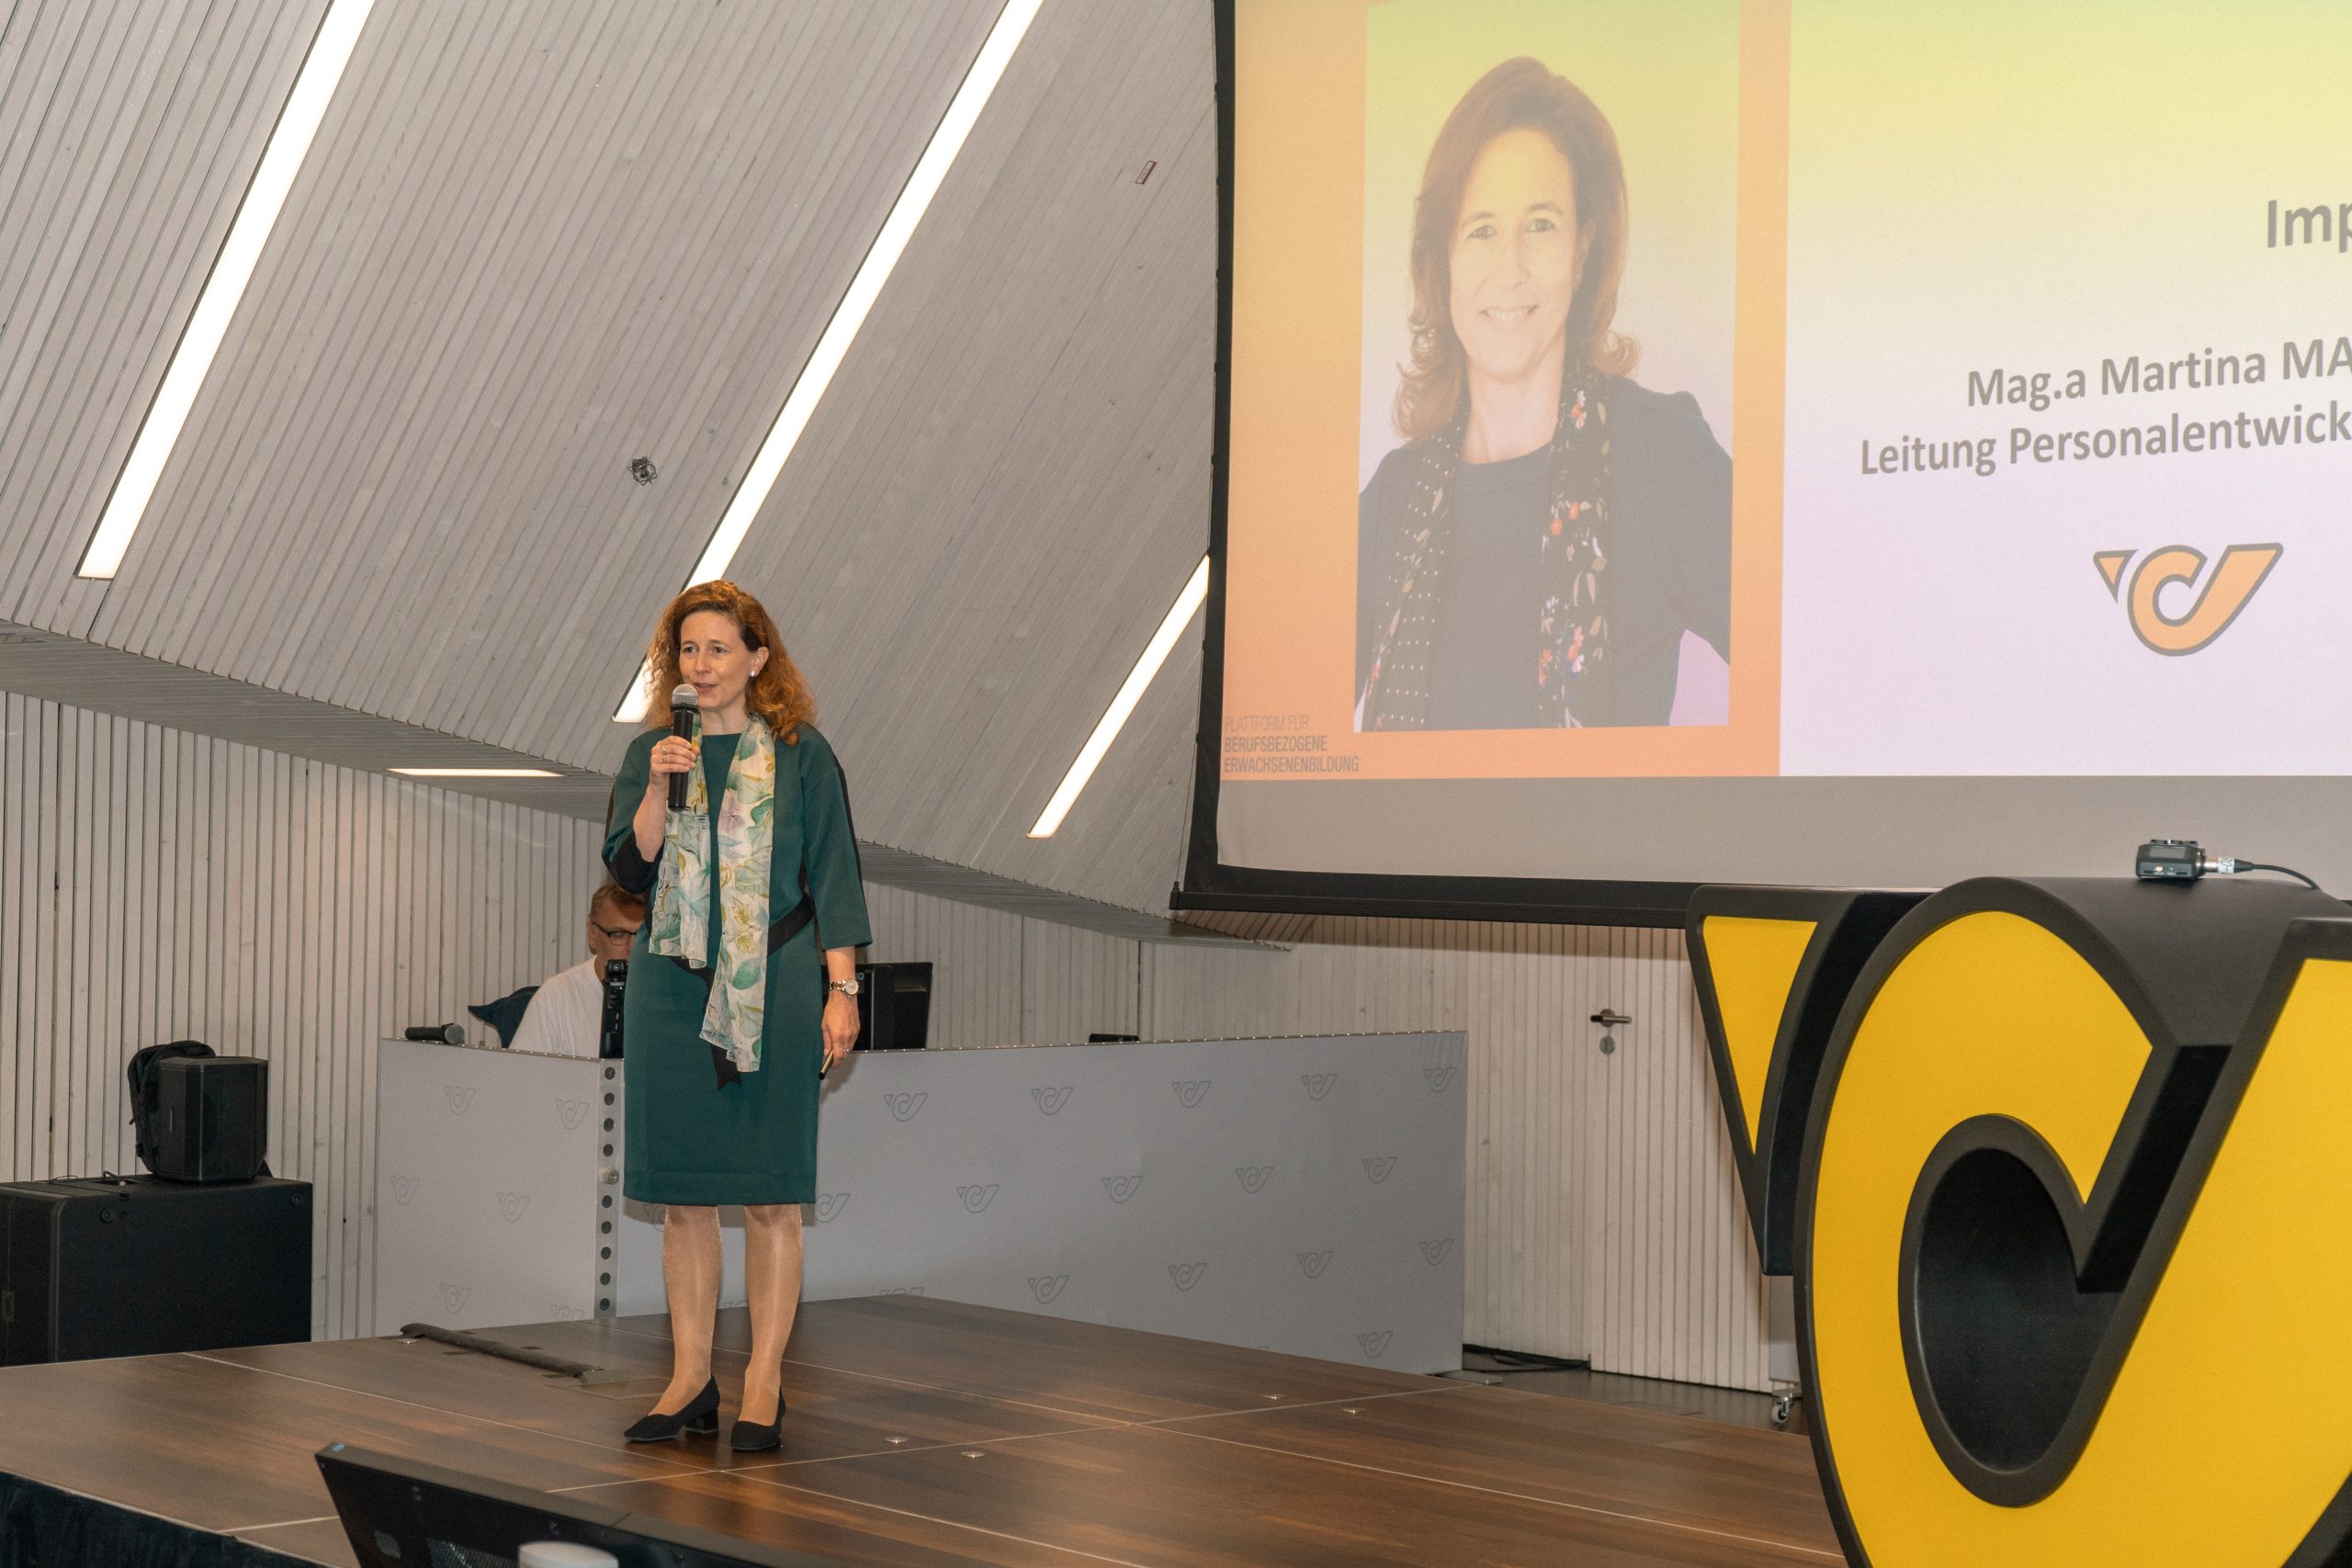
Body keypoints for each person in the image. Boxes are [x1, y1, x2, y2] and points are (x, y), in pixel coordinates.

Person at [1356, 56, 1730, 731]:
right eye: (1481, 230)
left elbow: (1814, 674)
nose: (1510, 270)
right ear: (1442, 260)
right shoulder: (1393, 502)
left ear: (1583, 250)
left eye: (1540, 225)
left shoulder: (1664, 459)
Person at [601, 580, 871, 1452]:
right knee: (683, 1199)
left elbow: (834, 874)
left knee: (769, 1196)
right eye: (688, 649)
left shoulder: (801, 753)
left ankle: (763, 1381)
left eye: (719, 648)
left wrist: (843, 989)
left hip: (775, 984)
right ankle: (690, 1378)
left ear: (758, 658)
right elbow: (629, 871)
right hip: (670, 986)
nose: (702, 663)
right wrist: (657, 786)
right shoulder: (653, 752)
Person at [508, 881, 643, 1057]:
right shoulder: (557, 997)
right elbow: (521, 1071)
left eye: (643, 936)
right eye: (619, 935)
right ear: (593, 935)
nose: (633, 948)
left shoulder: (666, 995)